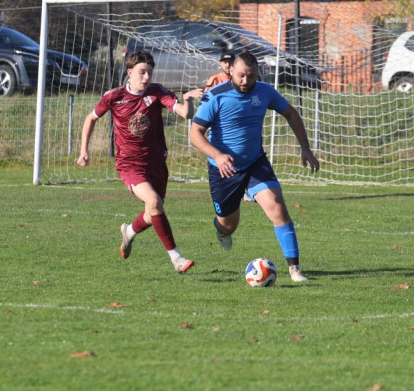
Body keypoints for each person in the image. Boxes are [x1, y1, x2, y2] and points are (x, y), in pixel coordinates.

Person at [189, 50, 319, 282]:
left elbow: (290, 112)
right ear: (230, 71)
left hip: (255, 162)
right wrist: (218, 156)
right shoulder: (215, 96)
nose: (245, 81)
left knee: (278, 208)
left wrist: (305, 148)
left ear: (257, 73)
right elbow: (196, 134)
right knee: (229, 226)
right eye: (241, 75)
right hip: (224, 169)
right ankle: (221, 229)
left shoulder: (265, 91)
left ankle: (295, 270)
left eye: (251, 76)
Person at [77, 51, 204, 273]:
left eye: (150, 73)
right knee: (154, 202)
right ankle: (176, 258)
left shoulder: (156, 92)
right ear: (129, 73)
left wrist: (188, 100)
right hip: (129, 165)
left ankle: (129, 232)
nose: (146, 78)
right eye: (142, 72)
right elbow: (90, 118)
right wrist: (83, 151)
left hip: (156, 164)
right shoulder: (114, 96)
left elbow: (185, 114)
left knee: (153, 210)